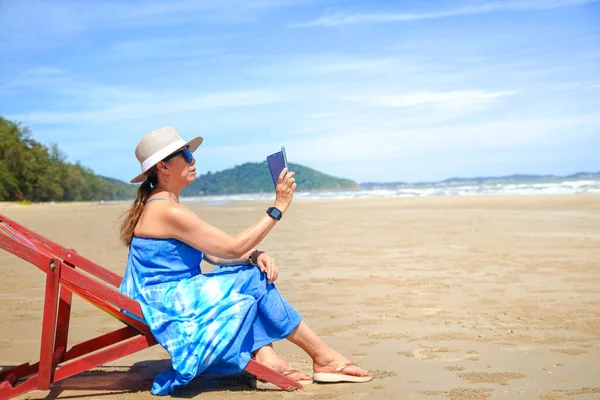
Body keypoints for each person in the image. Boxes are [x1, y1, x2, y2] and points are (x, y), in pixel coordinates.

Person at [119, 126, 372, 395]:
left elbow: (214, 254)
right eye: (186, 155)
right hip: (164, 302)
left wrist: (254, 255)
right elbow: (231, 247)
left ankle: (271, 358)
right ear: (164, 167)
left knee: (250, 272)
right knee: (252, 278)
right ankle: (323, 358)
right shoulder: (166, 210)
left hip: (163, 295)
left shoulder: (166, 206)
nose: (194, 161)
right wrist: (278, 207)